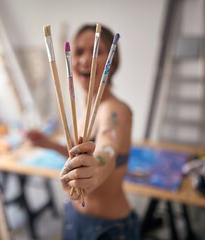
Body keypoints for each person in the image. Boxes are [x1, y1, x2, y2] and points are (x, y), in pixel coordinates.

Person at [27, 24, 140, 239]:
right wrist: (49, 145)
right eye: (78, 52)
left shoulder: (114, 110)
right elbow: (80, 156)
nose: (85, 59)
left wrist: (94, 171)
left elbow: (107, 147)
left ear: (112, 62)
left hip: (109, 230)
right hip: (74, 217)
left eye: (97, 51)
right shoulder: (82, 113)